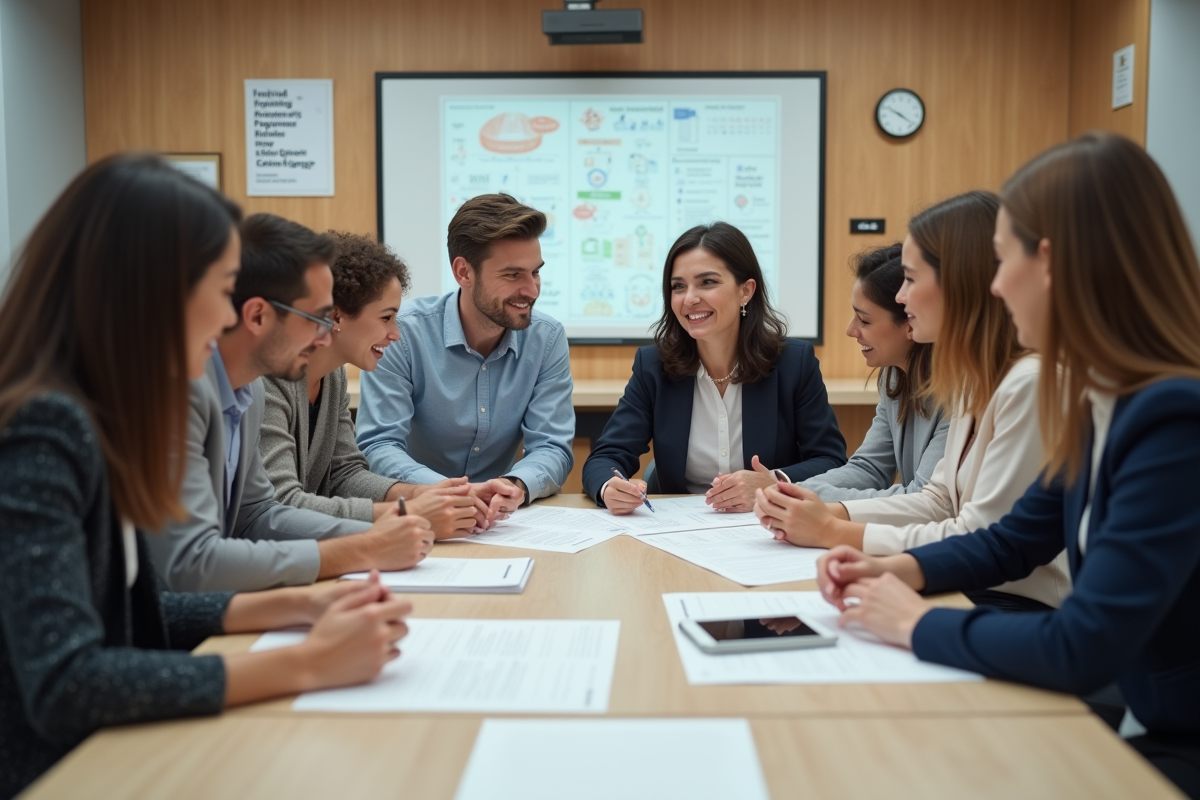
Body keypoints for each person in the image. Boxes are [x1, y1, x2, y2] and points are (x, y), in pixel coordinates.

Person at [0, 154, 412, 800]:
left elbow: (136, 613)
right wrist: (307, 662)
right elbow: (66, 682)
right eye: (221, 290)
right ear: (152, 290)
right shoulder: (45, 428)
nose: (228, 320)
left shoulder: (100, 411)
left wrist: (303, 603)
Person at [815, 133, 1200, 798]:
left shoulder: (1172, 418)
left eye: (1001, 260)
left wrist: (914, 621)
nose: (992, 286)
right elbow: (1015, 538)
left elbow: (1084, 645)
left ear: (1049, 262)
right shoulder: (1099, 396)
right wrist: (892, 567)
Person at [755, 191, 1070, 611]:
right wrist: (826, 512)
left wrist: (833, 529)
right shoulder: (976, 381)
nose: (901, 298)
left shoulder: (1027, 384)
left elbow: (980, 537)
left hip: (1017, 601)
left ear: (960, 284)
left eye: (910, 278)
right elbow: (939, 499)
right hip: (976, 585)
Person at [148, 214, 434, 593]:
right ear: (257, 316)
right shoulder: (180, 392)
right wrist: (363, 546)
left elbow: (258, 516)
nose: (323, 337)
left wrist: (390, 529)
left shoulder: (244, 393)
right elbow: (188, 565)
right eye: (316, 318)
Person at [582, 221, 847, 514]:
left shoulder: (793, 363)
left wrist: (771, 482)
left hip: (767, 524)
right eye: (678, 286)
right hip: (677, 531)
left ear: (745, 291)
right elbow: (606, 456)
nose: (690, 298)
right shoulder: (653, 367)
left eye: (707, 282)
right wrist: (610, 487)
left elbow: (831, 460)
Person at [357, 193, 575, 512]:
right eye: (513, 275)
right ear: (464, 273)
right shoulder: (401, 333)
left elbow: (552, 445)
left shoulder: (547, 337)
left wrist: (515, 486)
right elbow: (378, 445)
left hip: (503, 518)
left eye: (535, 272)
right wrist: (450, 492)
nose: (531, 290)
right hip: (420, 509)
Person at [259, 231, 479, 538]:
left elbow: (344, 474)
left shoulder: (332, 375)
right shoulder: (266, 379)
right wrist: (406, 513)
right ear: (336, 316)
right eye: (386, 318)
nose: (395, 334)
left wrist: (424, 496)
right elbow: (280, 504)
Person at [799, 243, 949, 501]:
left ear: (911, 321)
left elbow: (923, 498)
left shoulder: (959, 394)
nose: (850, 330)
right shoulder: (894, 377)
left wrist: (811, 494)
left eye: (864, 320)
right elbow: (870, 468)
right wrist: (794, 490)